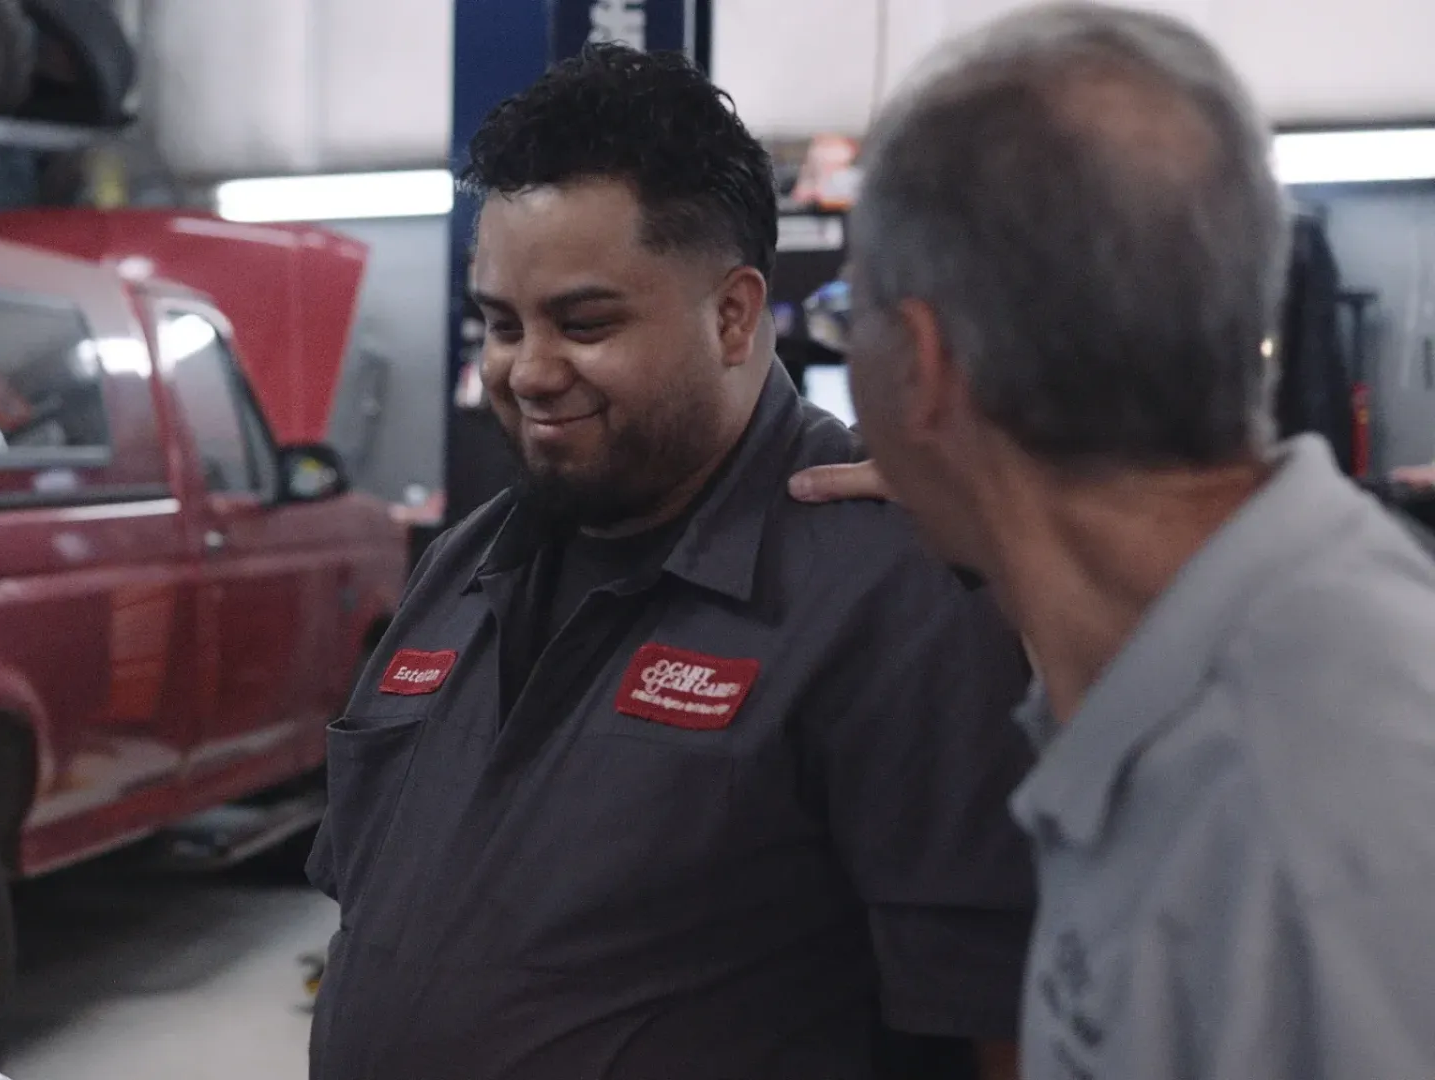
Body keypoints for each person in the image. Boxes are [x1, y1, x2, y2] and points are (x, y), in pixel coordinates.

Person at [305, 43, 1037, 1080]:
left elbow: (994, 1027)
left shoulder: (893, 586)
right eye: (501, 325)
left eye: (586, 322)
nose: (530, 371)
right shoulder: (463, 571)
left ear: (735, 314)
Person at [790, 3, 1435, 1077]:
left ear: (927, 366)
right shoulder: (1193, 685)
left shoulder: (1312, 834)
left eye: (845, 312)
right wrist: (977, 509)